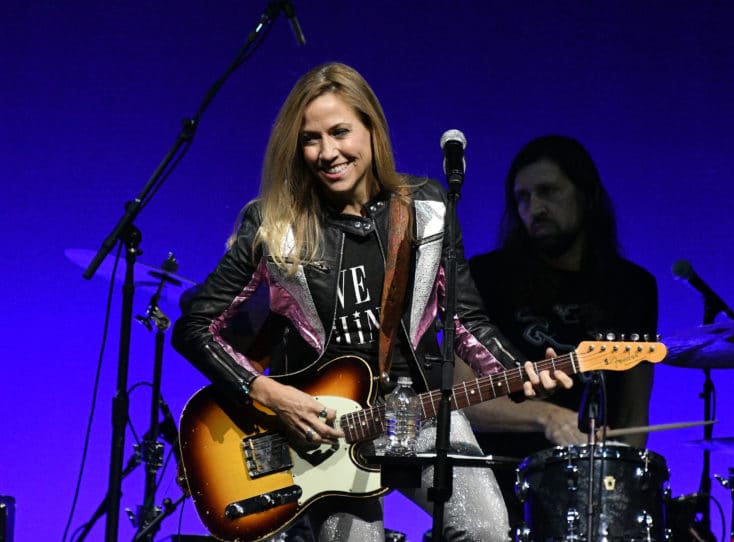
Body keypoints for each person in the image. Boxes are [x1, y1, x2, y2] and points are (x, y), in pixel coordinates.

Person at [171, 63, 569, 542]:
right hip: (325, 434)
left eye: (341, 132)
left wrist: (520, 372)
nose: (328, 152)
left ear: (372, 130)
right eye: (311, 139)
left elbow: (466, 323)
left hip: (419, 410)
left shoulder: (427, 210)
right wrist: (271, 396)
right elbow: (194, 326)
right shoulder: (275, 223)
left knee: (485, 529)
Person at [462, 134, 657, 526]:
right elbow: (462, 397)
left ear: (586, 195)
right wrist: (547, 417)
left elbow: (634, 410)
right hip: (497, 485)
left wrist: (615, 489)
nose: (534, 208)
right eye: (522, 198)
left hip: (591, 489)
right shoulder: (486, 277)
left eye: (548, 191)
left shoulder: (633, 287)